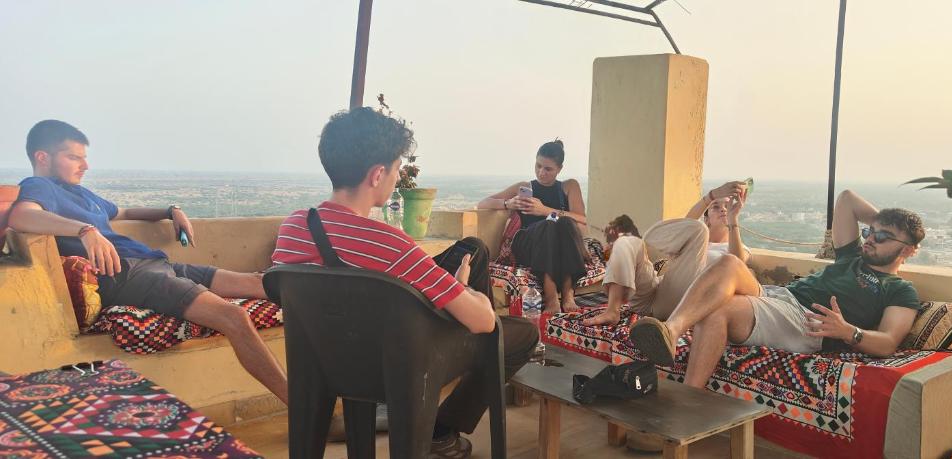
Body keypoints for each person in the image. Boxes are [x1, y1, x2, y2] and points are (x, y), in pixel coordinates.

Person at [272, 108, 539, 459]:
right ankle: (440, 429)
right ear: (377, 174)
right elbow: (483, 322)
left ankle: (434, 428)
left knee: (469, 255)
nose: (398, 178)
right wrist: (471, 293)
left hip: (332, 361)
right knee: (518, 334)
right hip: (399, 365)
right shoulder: (390, 245)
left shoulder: (293, 227)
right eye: (397, 169)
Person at [9, 120, 287, 403]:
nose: (85, 166)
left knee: (262, 282)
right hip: (127, 275)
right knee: (233, 316)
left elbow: (125, 212)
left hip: (156, 264)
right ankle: (304, 410)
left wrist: (170, 210)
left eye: (84, 157)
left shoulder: (79, 193)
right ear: (42, 157)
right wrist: (84, 230)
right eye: (74, 157)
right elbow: (22, 215)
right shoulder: (39, 186)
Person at [628, 189, 925, 391]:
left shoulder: (899, 290)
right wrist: (888, 224)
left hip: (805, 321)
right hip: (779, 297)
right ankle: (672, 329)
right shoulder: (852, 255)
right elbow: (847, 199)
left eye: (883, 237)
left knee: (719, 310)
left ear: (909, 250)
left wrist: (850, 332)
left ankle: (686, 402)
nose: (871, 239)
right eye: (869, 231)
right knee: (729, 263)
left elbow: (888, 342)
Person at [583, 181, 751, 326]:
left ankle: (648, 239)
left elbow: (738, 265)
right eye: (716, 207)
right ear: (707, 217)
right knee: (626, 241)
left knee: (698, 230)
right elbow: (687, 225)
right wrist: (711, 196)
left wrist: (733, 219)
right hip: (650, 294)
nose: (723, 210)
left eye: (727, 207)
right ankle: (612, 310)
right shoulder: (696, 237)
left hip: (678, 301)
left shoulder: (734, 250)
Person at [477, 140, 590, 313]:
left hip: (560, 245)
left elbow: (581, 218)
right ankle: (552, 297)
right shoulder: (525, 187)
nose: (541, 172)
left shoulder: (568, 186)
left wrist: (545, 210)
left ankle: (568, 295)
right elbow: (483, 203)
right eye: (538, 166)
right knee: (548, 227)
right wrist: (509, 203)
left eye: (548, 169)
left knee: (564, 223)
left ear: (559, 169)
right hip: (529, 244)